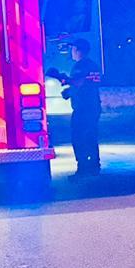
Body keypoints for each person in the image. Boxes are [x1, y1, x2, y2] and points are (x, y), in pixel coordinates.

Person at [48, 38, 102, 179]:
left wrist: (61, 77)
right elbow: (87, 85)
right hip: (93, 107)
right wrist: (69, 91)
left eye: (73, 49)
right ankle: (94, 167)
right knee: (90, 137)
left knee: (79, 138)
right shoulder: (93, 65)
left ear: (78, 50)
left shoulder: (80, 66)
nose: (71, 52)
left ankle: (83, 169)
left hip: (83, 109)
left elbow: (79, 82)